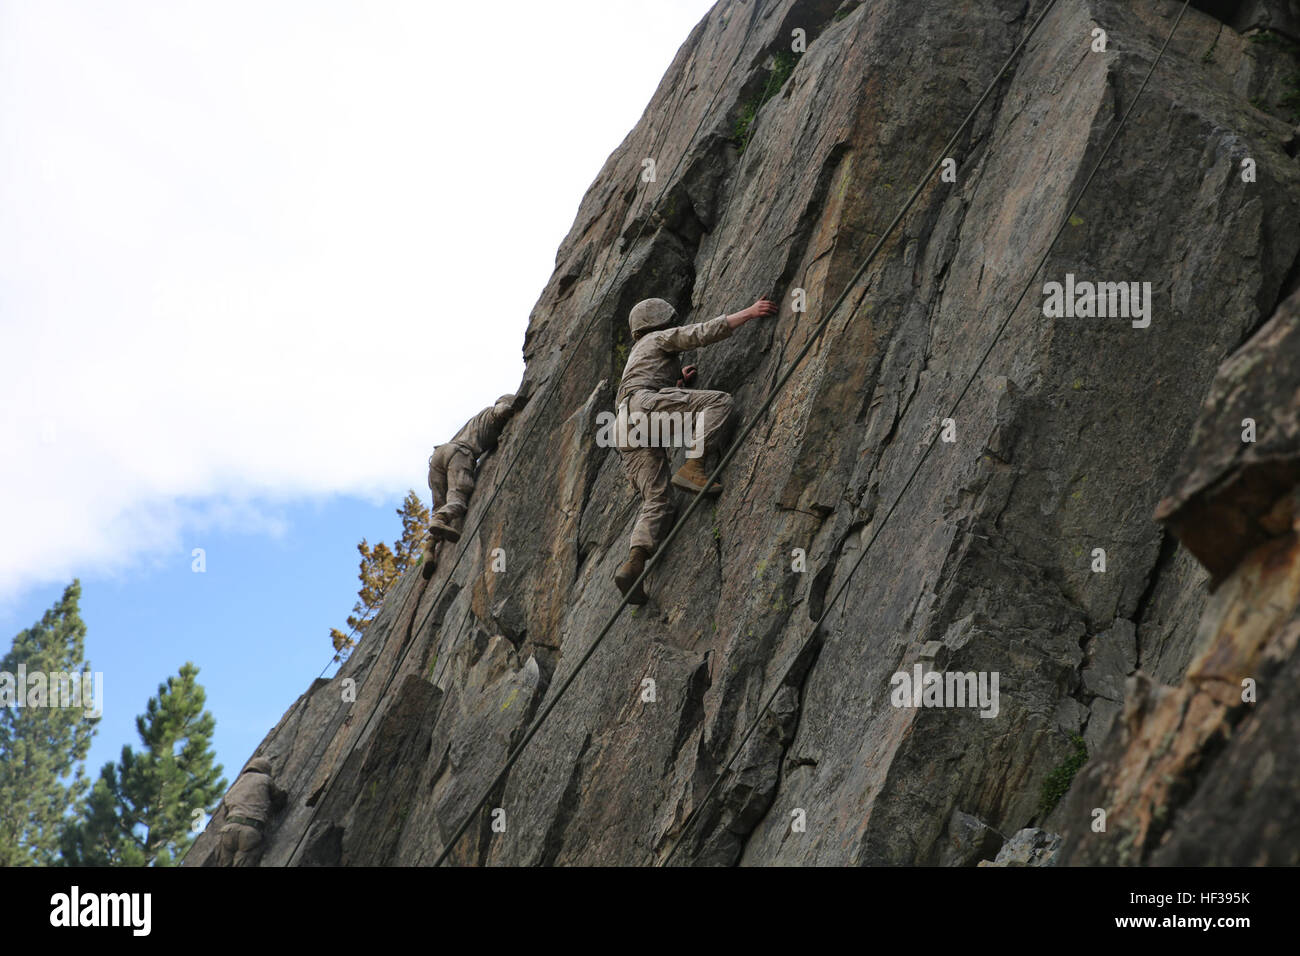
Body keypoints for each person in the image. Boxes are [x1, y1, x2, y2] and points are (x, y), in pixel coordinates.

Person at [612, 296, 777, 603]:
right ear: (657, 320)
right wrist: (749, 312)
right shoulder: (657, 337)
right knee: (719, 403)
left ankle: (634, 563)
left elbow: (646, 386)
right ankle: (693, 466)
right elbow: (699, 333)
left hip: (623, 427)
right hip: (645, 406)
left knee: (657, 499)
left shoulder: (635, 357)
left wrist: (677, 385)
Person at [426, 394, 521, 548]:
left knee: (439, 503)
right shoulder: (491, 413)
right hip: (460, 454)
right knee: (457, 500)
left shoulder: (475, 420)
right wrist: (512, 408)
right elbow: (500, 410)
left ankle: (431, 546)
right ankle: (439, 519)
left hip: (439, 454)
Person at [215, 757, 287, 867]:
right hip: (250, 830)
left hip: (229, 829)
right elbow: (277, 799)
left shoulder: (236, 786)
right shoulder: (265, 779)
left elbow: (225, 812)